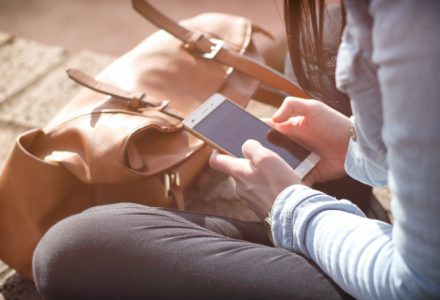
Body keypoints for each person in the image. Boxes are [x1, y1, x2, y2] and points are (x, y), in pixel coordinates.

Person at [32, 0, 440, 299]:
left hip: (405, 280)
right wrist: (359, 151)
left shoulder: (412, 32)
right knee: (325, 33)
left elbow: (417, 285)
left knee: (77, 248)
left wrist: (291, 208)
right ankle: (351, 226)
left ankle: (337, 237)